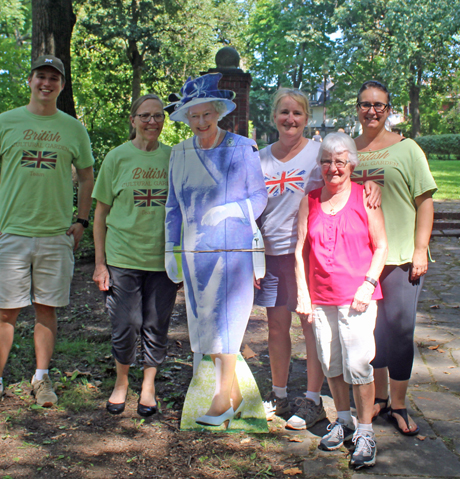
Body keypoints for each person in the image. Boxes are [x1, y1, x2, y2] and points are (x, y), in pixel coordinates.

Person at [0, 55, 95, 416]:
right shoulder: (5, 122)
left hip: (56, 235)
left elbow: (87, 177)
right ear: (30, 80)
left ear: (61, 85)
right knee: (5, 312)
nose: (47, 83)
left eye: (54, 78)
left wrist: (81, 221)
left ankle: (41, 377)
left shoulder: (73, 128)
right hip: (10, 235)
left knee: (46, 311)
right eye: (41, 76)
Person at [257, 88, 381, 430]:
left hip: (308, 255)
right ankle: (279, 395)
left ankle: (312, 399)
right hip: (270, 254)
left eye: (297, 113)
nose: (290, 119)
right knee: (277, 328)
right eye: (283, 112)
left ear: (306, 118)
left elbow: (343, 178)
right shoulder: (261, 159)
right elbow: (250, 208)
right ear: (274, 117)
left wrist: (370, 184)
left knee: (311, 328)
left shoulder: (318, 152)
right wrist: (251, 258)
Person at [165, 73, 267, 427]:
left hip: (233, 253)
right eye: (193, 116)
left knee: (227, 325)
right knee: (206, 325)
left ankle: (221, 400)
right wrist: (170, 247)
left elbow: (259, 196)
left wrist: (233, 210)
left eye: (207, 114)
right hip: (196, 254)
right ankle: (234, 395)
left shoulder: (241, 147)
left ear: (219, 112)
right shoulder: (178, 153)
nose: (201, 122)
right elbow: (173, 206)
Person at [295, 132, 388, 470]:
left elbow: (381, 246)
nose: (333, 167)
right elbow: (299, 249)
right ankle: (343, 420)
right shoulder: (311, 200)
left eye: (339, 161)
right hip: (320, 298)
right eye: (326, 161)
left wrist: (368, 284)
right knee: (332, 363)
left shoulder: (366, 197)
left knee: (359, 365)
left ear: (351, 164)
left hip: (357, 299)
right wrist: (303, 292)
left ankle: (365, 432)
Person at [353, 80, 436, 436]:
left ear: (389, 110)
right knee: (370, 333)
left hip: (401, 256)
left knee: (399, 331)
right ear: (357, 108)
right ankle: (380, 397)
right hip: (360, 258)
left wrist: (420, 249)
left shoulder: (408, 148)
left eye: (379, 105)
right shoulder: (349, 150)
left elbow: (425, 200)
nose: (372, 111)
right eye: (365, 104)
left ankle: (399, 404)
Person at [92, 94, 177, 417]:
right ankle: (122, 382)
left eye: (157, 116)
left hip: (162, 259)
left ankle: (149, 386)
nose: (151, 122)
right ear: (133, 120)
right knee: (126, 323)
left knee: (156, 324)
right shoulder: (117, 158)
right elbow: (101, 213)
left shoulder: (173, 158)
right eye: (145, 115)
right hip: (122, 257)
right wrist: (100, 263)